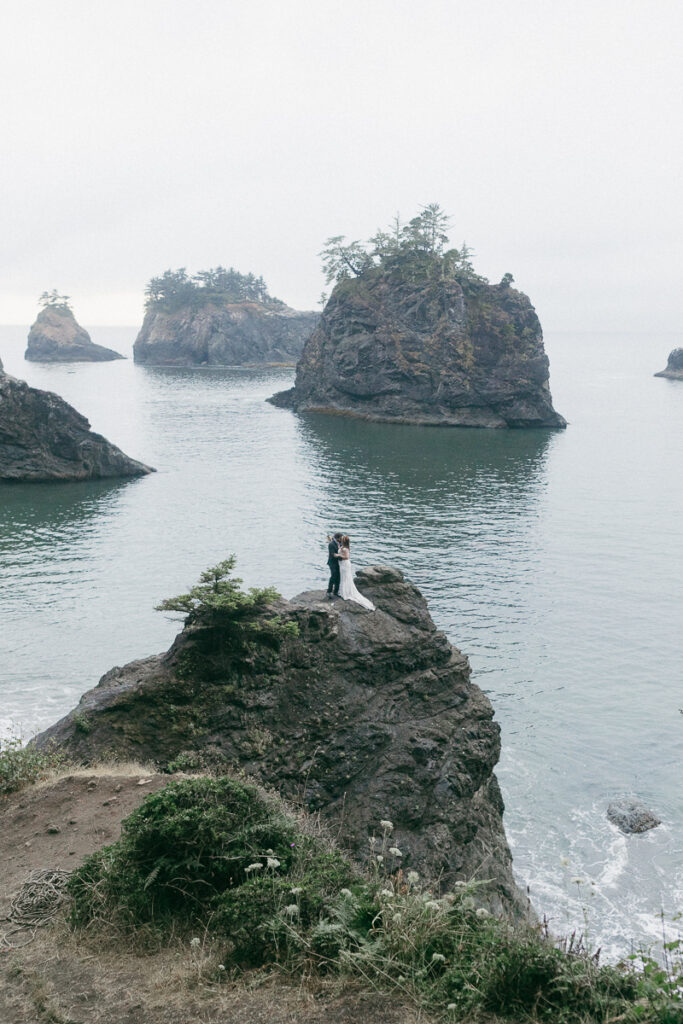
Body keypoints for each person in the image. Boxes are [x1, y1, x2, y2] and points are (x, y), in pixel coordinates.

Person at [338, 535, 375, 610]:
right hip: (342, 564)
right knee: (343, 577)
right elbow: (341, 550)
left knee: (345, 577)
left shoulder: (345, 549)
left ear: (344, 541)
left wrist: (338, 555)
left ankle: (345, 593)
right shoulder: (343, 547)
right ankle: (343, 591)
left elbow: (347, 557)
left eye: (342, 540)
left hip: (345, 564)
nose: (340, 540)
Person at [326, 532, 343, 599]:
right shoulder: (331, 544)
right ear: (337, 538)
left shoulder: (341, 543)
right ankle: (329, 591)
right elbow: (332, 554)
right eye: (341, 538)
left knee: (338, 577)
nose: (342, 539)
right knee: (333, 576)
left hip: (339, 563)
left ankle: (336, 591)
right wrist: (342, 556)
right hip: (332, 563)